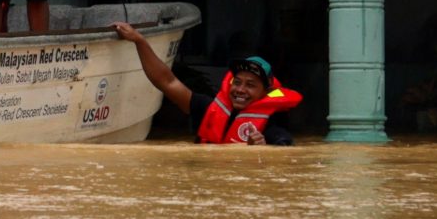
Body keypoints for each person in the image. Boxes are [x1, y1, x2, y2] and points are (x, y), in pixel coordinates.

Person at [114, 21, 303, 145]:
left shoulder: (273, 128)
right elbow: (166, 81)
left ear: (266, 91)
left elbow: (287, 154)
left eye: (250, 85)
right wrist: (139, 40)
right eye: (237, 82)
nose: (240, 90)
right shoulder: (208, 107)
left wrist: (263, 150)